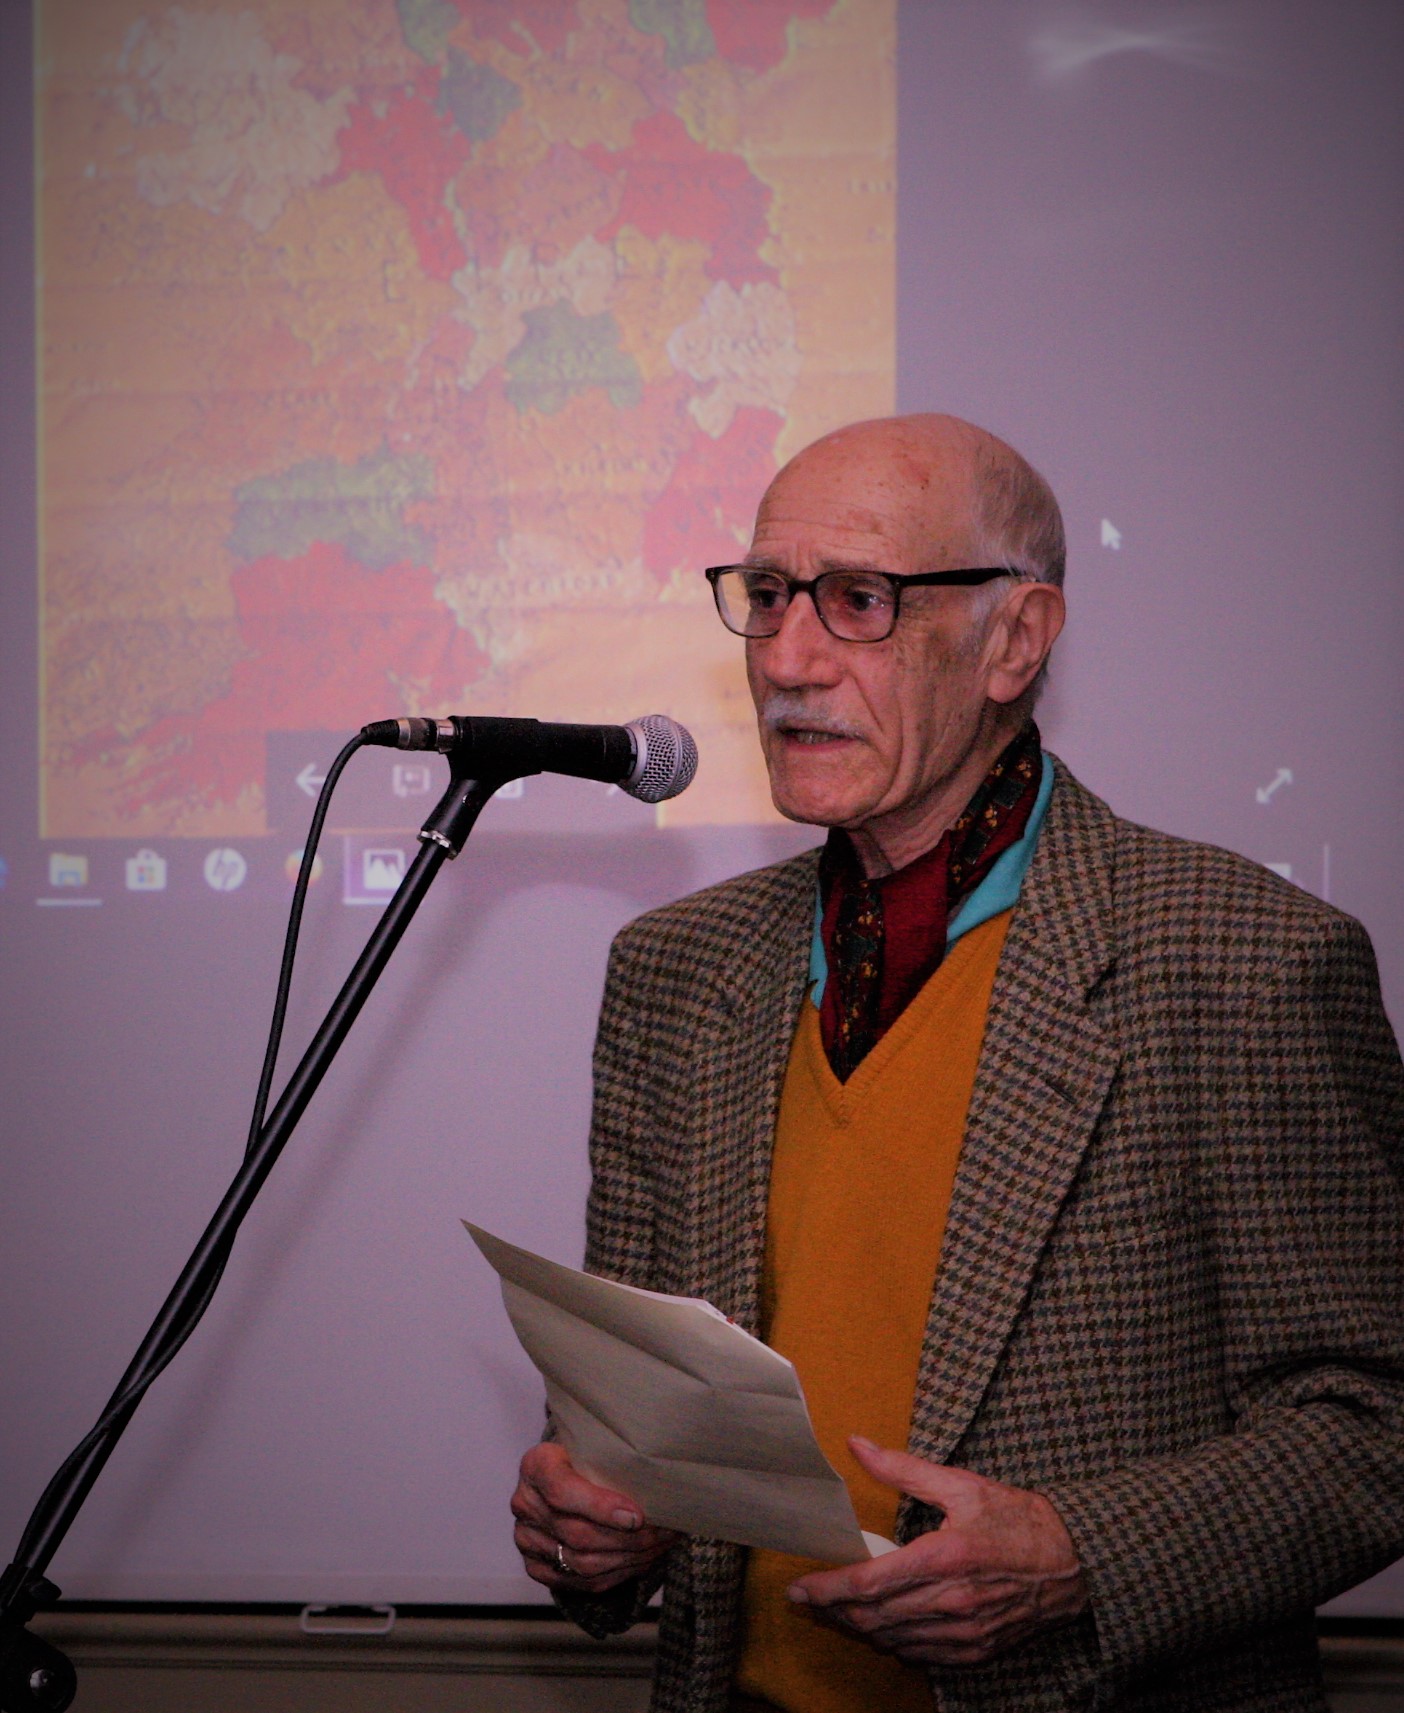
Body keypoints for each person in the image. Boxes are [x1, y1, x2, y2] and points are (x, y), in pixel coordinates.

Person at [509, 414, 1404, 1712]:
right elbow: (629, 1408)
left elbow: (1378, 1417)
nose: (787, 660)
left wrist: (1082, 1554)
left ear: (1017, 640)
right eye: (768, 595)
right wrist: (593, 1516)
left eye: (858, 600)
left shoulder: (1241, 960)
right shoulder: (677, 970)